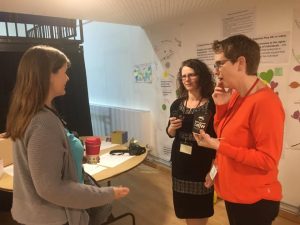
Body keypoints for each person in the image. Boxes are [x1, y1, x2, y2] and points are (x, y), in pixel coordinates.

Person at [5, 45, 129, 225]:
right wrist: (108, 194)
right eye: (64, 72)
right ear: (48, 75)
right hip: (51, 218)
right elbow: (51, 188)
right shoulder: (42, 122)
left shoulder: (30, 114)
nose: (68, 78)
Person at [193, 34, 285, 225]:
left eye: (220, 64)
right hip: (235, 194)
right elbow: (226, 136)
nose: (216, 71)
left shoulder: (266, 102)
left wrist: (218, 146)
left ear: (240, 63)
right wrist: (221, 107)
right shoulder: (237, 96)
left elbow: (267, 160)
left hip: (255, 201)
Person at [166, 59, 216, 225]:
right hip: (181, 164)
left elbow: (218, 140)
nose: (186, 79)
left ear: (201, 76)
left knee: (200, 208)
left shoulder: (212, 105)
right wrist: (172, 128)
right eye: (183, 76)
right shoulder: (178, 104)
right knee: (185, 208)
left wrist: (214, 170)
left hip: (202, 164)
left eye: (191, 75)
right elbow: (170, 133)